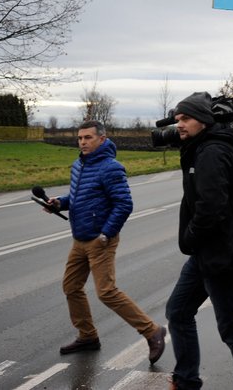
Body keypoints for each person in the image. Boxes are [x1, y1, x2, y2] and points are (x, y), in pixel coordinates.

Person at [164, 92, 233, 390]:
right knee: (178, 311)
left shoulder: (212, 152)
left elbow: (212, 208)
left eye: (185, 119)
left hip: (220, 254)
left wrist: (191, 238)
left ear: (204, 120)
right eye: (177, 119)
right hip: (207, 254)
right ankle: (186, 379)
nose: (178, 124)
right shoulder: (209, 147)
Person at [49, 120, 166, 363]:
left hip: (100, 239)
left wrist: (106, 234)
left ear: (102, 139)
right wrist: (59, 203)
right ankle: (88, 336)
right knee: (71, 287)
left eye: (88, 138)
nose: (82, 142)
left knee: (106, 292)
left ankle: (152, 331)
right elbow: (78, 196)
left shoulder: (110, 167)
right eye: (80, 138)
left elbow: (124, 204)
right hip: (79, 238)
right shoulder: (79, 165)